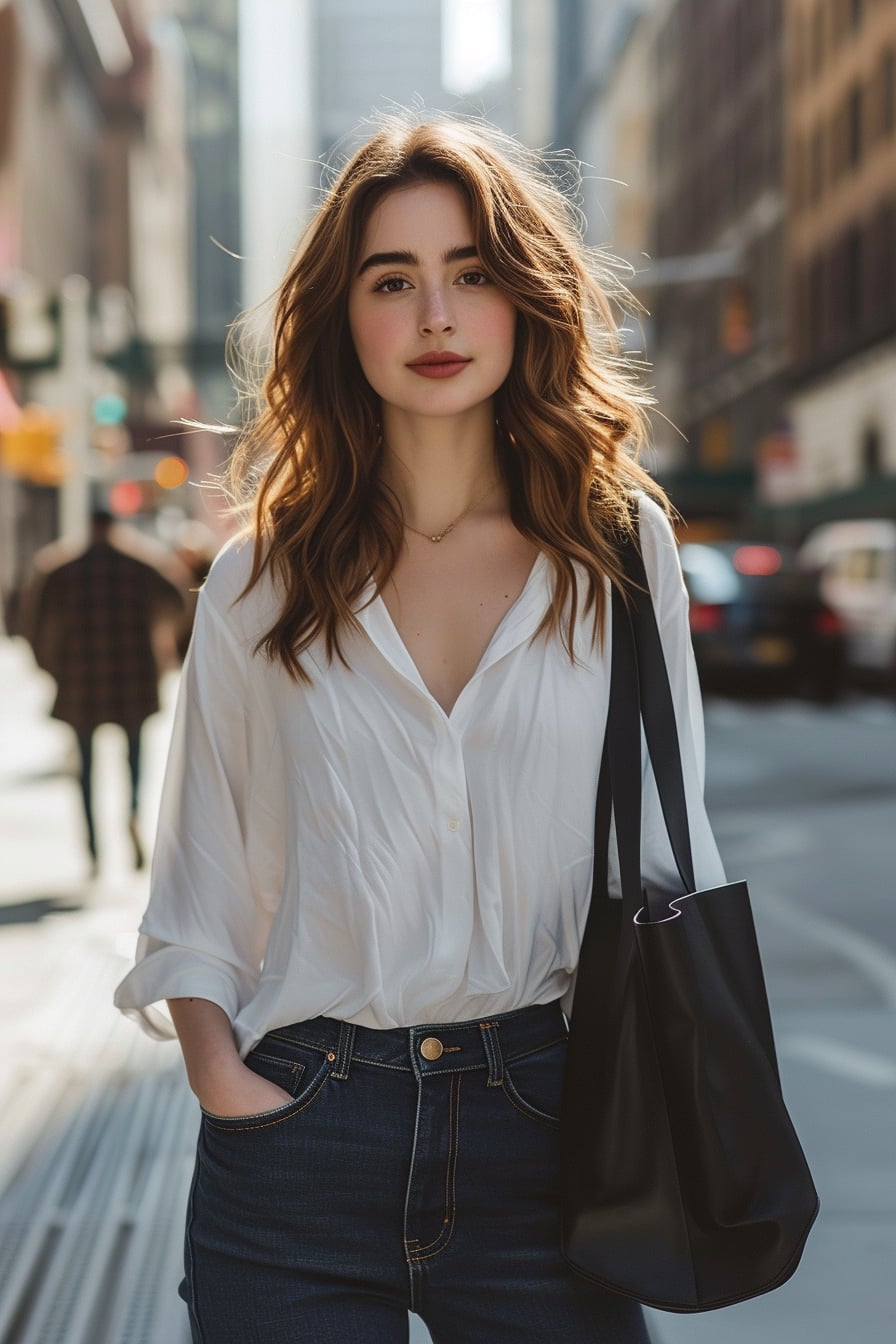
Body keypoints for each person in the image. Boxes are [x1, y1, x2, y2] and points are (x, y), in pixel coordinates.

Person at [114, 114, 727, 1342]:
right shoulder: (258, 585)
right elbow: (199, 876)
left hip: (552, 1127)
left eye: (473, 274)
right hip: (296, 1132)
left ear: (526, 301)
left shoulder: (615, 553)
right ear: (344, 319)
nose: (436, 316)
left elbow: (669, 843)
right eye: (392, 281)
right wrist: (220, 1080)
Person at [26, 509, 184, 873]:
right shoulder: (143, 565)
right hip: (133, 680)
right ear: (114, 528)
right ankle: (131, 812)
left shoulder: (61, 570)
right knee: (135, 760)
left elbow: (32, 625)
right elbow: (179, 601)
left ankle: (94, 847)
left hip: (81, 682)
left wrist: (52, 669)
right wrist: (160, 642)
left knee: (85, 769)